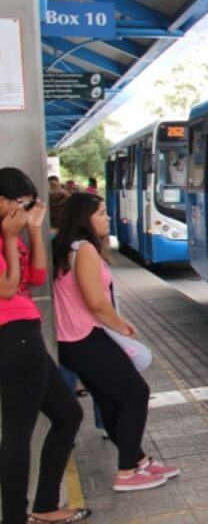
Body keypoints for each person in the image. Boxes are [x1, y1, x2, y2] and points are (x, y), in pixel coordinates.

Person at [52, 193, 179, 492]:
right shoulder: (84, 250)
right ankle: (126, 472)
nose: (107, 218)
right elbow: (95, 302)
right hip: (85, 337)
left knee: (110, 399)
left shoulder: (66, 248)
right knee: (136, 393)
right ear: (85, 218)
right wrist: (122, 326)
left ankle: (139, 461)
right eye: (101, 213)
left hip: (71, 341)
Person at [0, 168, 89, 524]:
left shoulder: (14, 232)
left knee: (68, 415)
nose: (24, 211)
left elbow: (36, 277)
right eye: (21, 204)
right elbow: (6, 290)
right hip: (11, 336)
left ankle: (45, 506)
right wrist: (9, 238)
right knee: (18, 433)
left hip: (24, 334)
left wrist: (32, 230)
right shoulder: (4, 235)